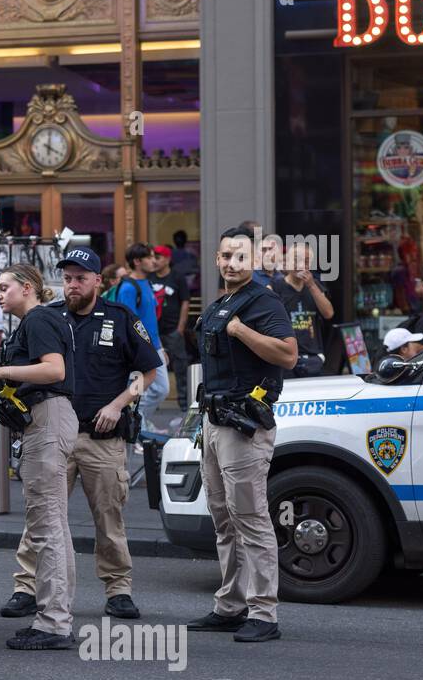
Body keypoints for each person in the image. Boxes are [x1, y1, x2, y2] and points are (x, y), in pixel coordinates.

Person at [0, 249, 162, 622]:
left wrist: (119, 404)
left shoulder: (119, 318)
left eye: (81, 278)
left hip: (99, 435)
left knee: (108, 517)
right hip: (54, 432)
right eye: (68, 278)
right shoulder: (48, 316)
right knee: (40, 515)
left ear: (97, 281)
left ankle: (118, 589)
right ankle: (26, 586)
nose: (73, 285)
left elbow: (148, 372)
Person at [187, 227, 297, 643]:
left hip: (243, 425)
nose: (232, 263)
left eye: (240, 256)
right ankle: (230, 605)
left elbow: (288, 354)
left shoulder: (263, 301)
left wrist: (241, 332)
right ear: (217, 259)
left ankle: (264, 613)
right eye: (226, 256)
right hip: (214, 422)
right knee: (224, 520)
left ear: (254, 261)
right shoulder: (220, 304)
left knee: (250, 517)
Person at [0, 261, 77, 649]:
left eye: (5, 287)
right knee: (53, 526)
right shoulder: (35, 322)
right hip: (46, 420)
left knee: (46, 526)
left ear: (28, 287)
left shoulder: (39, 321)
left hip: (48, 418)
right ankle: (55, 616)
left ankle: (53, 623)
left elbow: (54, 370)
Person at [117, 243, 170, 430]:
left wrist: (160, 347)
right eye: (149, 258)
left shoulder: (146, 283)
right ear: (137, 261)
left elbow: (151, 320)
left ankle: (139, 424)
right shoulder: (128, 288)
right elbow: (129, 324)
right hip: (140, 350)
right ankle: (138, 427)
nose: (153, 261)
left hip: (153, 346)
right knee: (140, 390)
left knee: (159, 390)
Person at [272, 239, 335, 377]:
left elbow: (328, 313)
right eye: (296, 260)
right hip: (286, 357)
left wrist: (312, 285)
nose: (301, 264)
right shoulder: (275, 287)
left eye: (306, 261)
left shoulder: (315, 286)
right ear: (286, 261)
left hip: (312, 357)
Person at [150, 243, 192, 407]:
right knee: (154, 366)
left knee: (180, 365)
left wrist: (180, 328)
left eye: (158, 257)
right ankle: (155, 402)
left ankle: (183, 403)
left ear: (167, 259)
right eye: (153, 257)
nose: (154, 260)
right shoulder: (150, 277)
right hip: (154, 331)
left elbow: (185, 302)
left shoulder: (177, 277)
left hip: (173, 329)